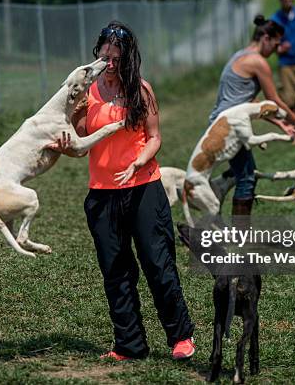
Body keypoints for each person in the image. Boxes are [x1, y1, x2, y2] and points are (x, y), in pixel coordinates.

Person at [48, 21, 196, 361]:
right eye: (105, 56)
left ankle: (180, 337)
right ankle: (130, 344)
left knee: (158, 264)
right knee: (115, 270)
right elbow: (81, 145)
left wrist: (138, 161)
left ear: (128, 58)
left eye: (117, 58)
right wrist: (66, 136)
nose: (110, 64)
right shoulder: (88, 95)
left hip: (143, 187)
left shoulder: (141, 91)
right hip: (102, 193)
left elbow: (155, 136)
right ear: (97, 55)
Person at [207, 14, 295, 223]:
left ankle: (214, 189)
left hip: (223, 122)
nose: (276, 50)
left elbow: (251, 102)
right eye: (276, 44)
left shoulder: (241, 55)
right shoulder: (258, 62)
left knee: (244, 171)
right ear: (265, 38)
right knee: (247, 178)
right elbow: (273, 100)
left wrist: (280, 123)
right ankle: (240, 236)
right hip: (228, 125)